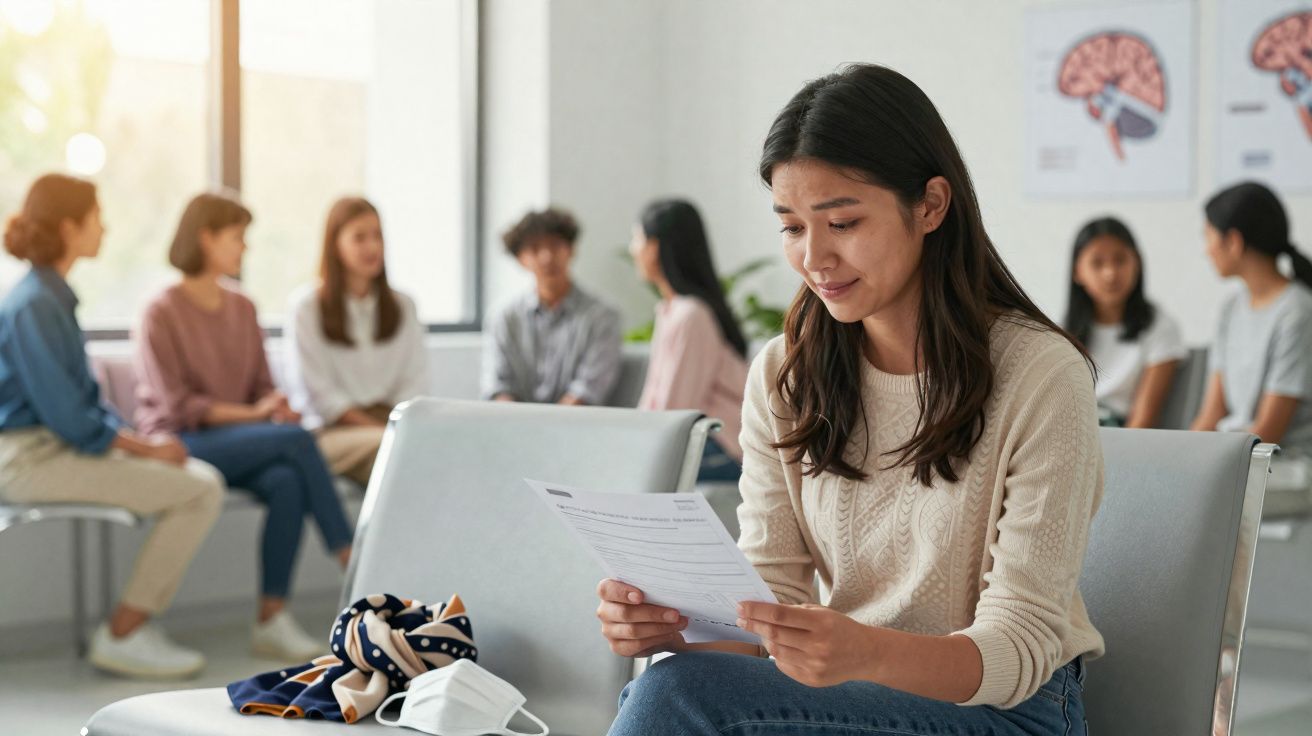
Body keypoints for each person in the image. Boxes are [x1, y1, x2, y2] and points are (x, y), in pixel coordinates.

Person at [596, 64, 1104, 735]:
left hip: (1012, 709)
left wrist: (866, 650)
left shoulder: (1041, 374)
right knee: (669, 681)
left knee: (673, 700)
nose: (814, 257)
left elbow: (1020, 648)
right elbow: (769, 599)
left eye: (841, 221)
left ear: (930, 205)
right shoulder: (785, 374)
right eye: (792, 227)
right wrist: (674, 628)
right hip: (853, 693)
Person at [0, 174, 224, 679]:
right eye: (97, 219)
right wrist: (146, 451)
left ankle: (129, 627)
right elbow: (68, 416)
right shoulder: (34, 302)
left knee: (203, 481)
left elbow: (82, 406)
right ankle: (124, 632)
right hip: (30, 458)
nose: (105, 228)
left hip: (52, 447)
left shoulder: (50, 295)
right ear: (69, 227)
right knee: (199, 492)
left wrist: (141, 443)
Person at [134, 190, 353, 662]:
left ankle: (271, 621)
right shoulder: (161, 311)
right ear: (206, 238)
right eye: (237, 238)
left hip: (241, 443)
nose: (244, 248)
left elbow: (260, 386)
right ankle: (351, 559)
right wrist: (259, 417)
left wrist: (273, 407)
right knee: (295, 444)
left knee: (287, 481)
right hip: (183, 442)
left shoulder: (243, 308)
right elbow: (177, 407)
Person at [284, 197, 428, 485]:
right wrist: (386, 429)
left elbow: (415, 383)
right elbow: (320, 396)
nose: (372, 247)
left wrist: (395, 425)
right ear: (334, 245)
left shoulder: (404, 305)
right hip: (330, 432)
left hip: (393, 423)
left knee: (430, 452)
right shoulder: (307, 307)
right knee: (394, 451)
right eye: (359, 238)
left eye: (377, 236)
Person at [1191, 182, 1312, 463]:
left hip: (1282, 469)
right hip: (1237, 461)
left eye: (1208, 237)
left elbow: (1267, 434)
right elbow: (1211, 415)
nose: (1207, 250)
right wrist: (1180, 463)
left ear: (1233, 241)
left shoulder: (1298, 313)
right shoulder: (1230, 309)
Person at [630, 199, 749, 481]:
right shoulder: (670, 311)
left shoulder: (692, 315)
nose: (632, 249)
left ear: (654, 247)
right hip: (700, 439)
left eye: (636, 239)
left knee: (628, 467)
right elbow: (653, 399)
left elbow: (678, 409)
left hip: (723, 444)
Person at [482, 208, 621, 405]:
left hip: (578, 428)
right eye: (535, 248)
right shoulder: (503, 317)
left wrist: (548, 430)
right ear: (521, 259)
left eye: (555, 246)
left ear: (571, 249)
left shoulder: (601, 316)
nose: (547, 257)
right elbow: (497, 385)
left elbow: (589, 387)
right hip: (513, 427)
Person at [1063, 217, 1186, 428]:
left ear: (1136, 263)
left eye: (1120, 260)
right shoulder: (1062, 333)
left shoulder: (1160, 327)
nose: (1110, 273)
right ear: (1077, 272)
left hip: (1122, 438)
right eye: (1097, 263)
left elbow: (1143, 421)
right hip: (1071, 433)